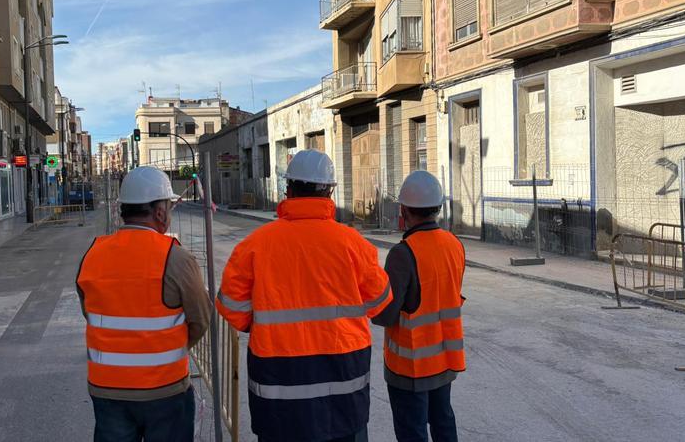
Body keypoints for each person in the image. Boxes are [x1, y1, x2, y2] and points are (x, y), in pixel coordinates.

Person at [216, 150, 392, 442]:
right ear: (330, 191)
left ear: (289, 189)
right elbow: (380, 301)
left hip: (278, 388)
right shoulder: (354, 244)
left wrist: (260, 325)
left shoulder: (255, 245)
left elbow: (231, 306)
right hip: (342, 387)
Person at [76, 166, 211, 442]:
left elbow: (89, 311)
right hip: (165, 389)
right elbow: (200, 319)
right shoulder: (176, 258)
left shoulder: (93, 254)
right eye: (169, 208)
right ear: (160, 213)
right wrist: (167, 348)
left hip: (107, 389)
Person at [372, 171, 466, 442]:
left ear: (404, 210)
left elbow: (386, 315)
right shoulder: (455, 245)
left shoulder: (403, 253)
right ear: (437, 207)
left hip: (411, 368)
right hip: (444, 360)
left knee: (412, 433)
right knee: (444, 425)